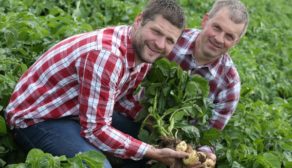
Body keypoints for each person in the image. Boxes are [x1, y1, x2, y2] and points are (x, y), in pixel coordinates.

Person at [4, 0, 188, 167]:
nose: (160, 44)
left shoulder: (142, 54)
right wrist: (153, 152)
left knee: (146, 139)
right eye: (156, 32)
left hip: (74, 111)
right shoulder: (107, 56)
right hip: (37, 118)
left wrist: (161, 134)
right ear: (139, 21)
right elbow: (96, 130)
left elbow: (123, 105)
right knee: (98, 165)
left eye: (169, 40)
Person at [168, 0, 249, 167]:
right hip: (133, 122)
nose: (219, 39)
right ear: (205, 21)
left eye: (229, 36)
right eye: (217, 28)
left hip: (175, 150)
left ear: (236, 42)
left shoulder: (230, 83)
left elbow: (209, 135)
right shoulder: (172, 40)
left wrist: (205, 154)